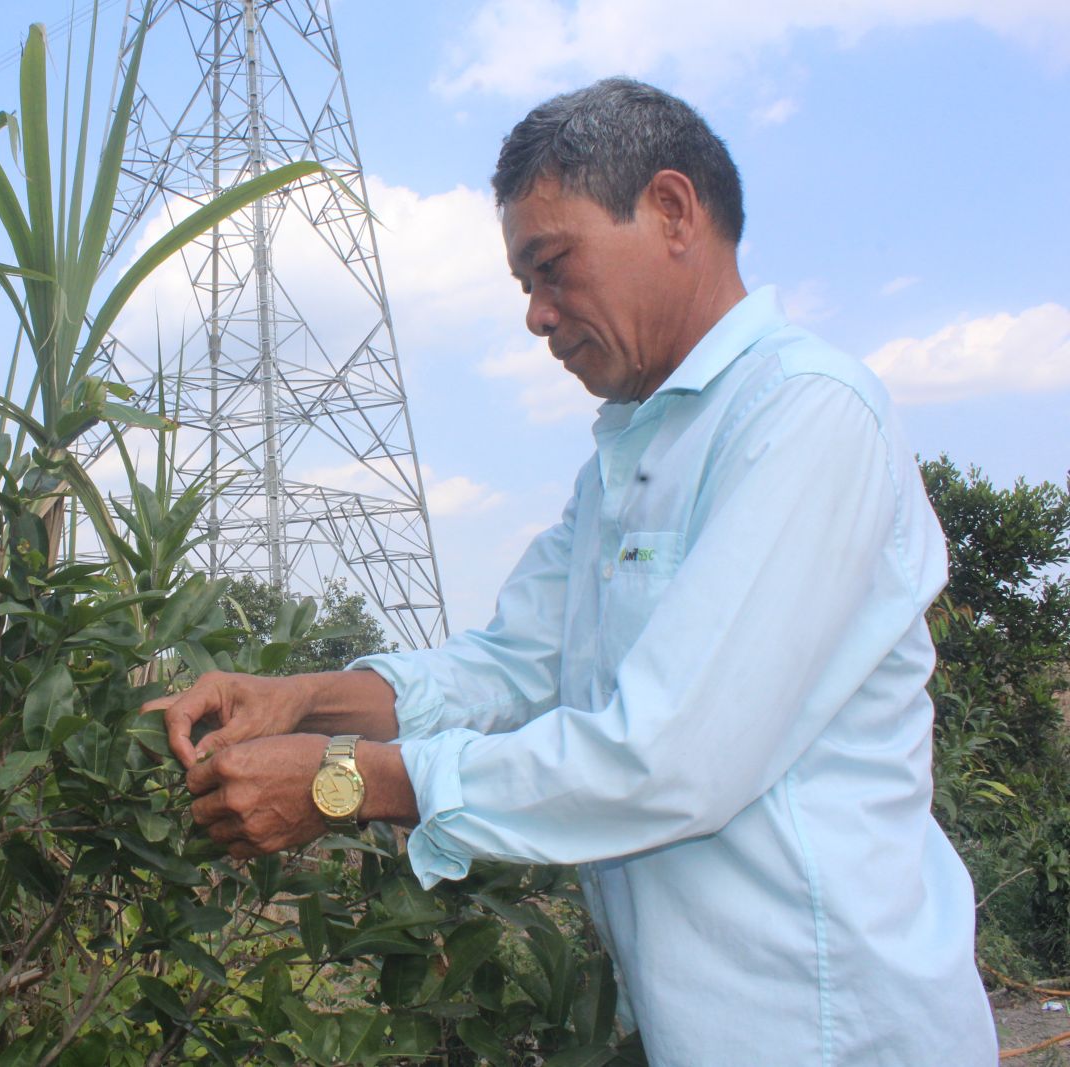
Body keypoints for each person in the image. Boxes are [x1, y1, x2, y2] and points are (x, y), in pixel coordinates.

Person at [149, 77, 997, 1065]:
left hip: (839, 1035)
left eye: (551, 267)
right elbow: (509, 668)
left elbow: (666, 758)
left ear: (672, 211)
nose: (537, 316)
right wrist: (301, 702)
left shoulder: (804, 418)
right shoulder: (625, 467)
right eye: (523, 287)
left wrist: (344, 783)